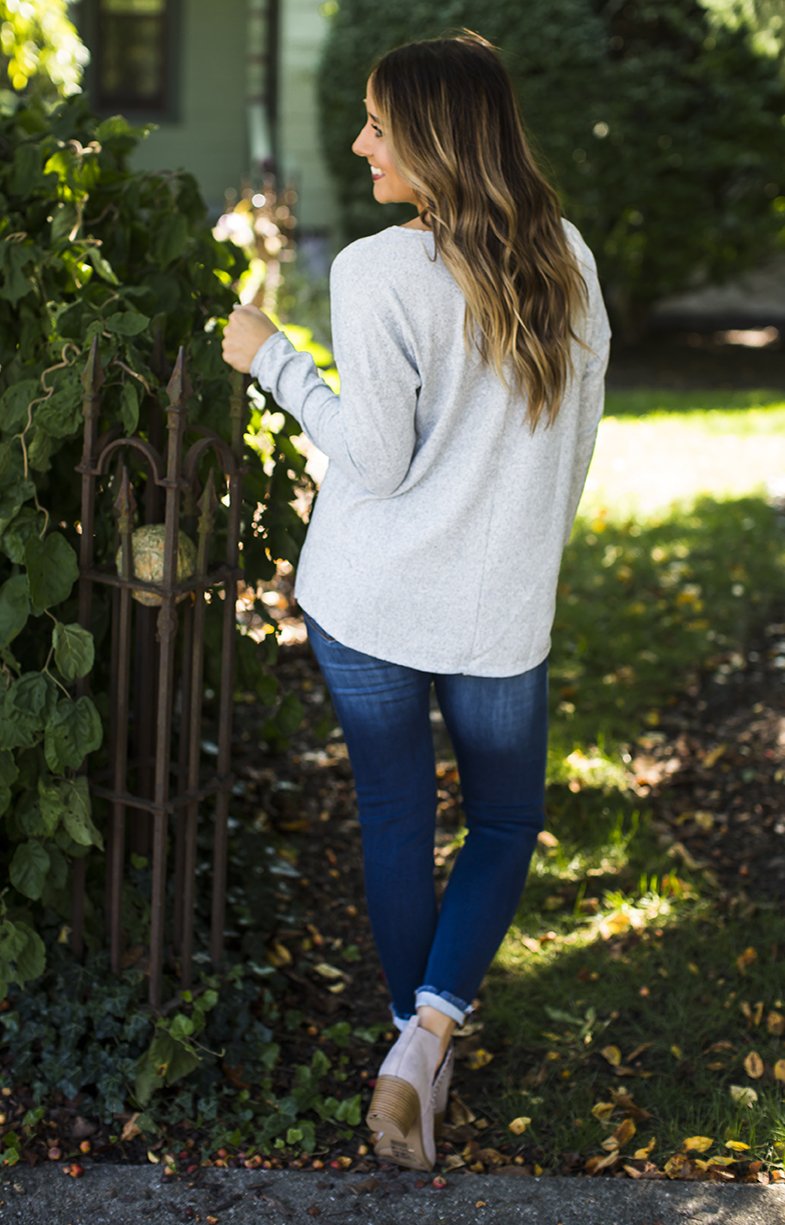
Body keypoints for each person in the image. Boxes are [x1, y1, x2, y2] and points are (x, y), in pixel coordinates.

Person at [222, 30, 610, 1173]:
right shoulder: (569, 258)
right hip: (494, 612)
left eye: (379, 126)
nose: (358, 143)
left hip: (365, 599)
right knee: (501, 822)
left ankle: (412, 1052)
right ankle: (427, 1034)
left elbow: (374, 462)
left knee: (397, 815)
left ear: (437, 138)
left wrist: (270, 357)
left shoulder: (375, 272)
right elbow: (574, 448)